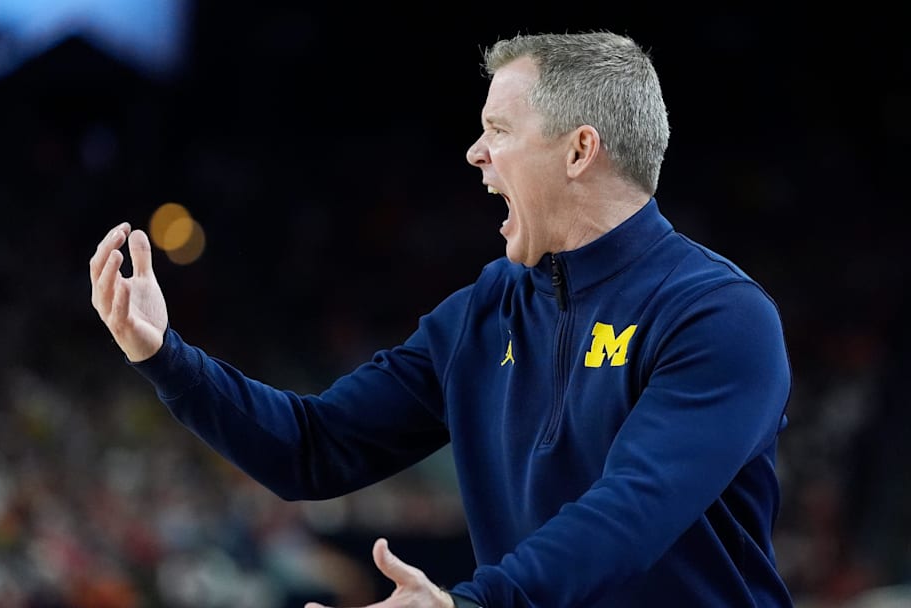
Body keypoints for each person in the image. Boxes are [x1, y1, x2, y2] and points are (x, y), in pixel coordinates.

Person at [89, 30, 794, 608]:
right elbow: (311, 447)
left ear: (579, 150)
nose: (475, 152)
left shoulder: (719, 316)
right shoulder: (486, 312)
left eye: (497, 129)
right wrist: (165, 358)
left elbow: (631, 515)